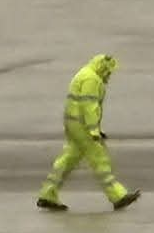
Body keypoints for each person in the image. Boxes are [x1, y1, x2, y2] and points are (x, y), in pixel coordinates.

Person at [36, 53, 140, 211]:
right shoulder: (92, 80)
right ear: (102, 67)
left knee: (68, 159)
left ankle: (48, 193)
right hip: (82, 126)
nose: (109, 75)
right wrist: (93, 130)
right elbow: (89, 106)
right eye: (108, 71)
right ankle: (118, 196)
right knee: (99, 158)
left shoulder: (85, 73)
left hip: (73, 123)